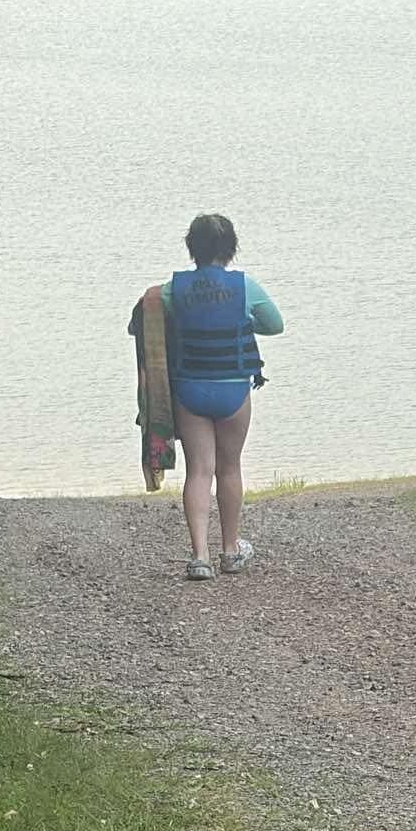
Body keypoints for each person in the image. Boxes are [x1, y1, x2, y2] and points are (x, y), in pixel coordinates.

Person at [130, 213, 284, 579]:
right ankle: (230, 551)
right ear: (230, 249)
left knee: (198, 471)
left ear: (191, 248)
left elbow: (142, 321)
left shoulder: (171, 291)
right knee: (229, 468)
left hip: (190, 392)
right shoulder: (246, 287)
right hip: (233, 391)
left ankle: (200, 557)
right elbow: (275, 325)